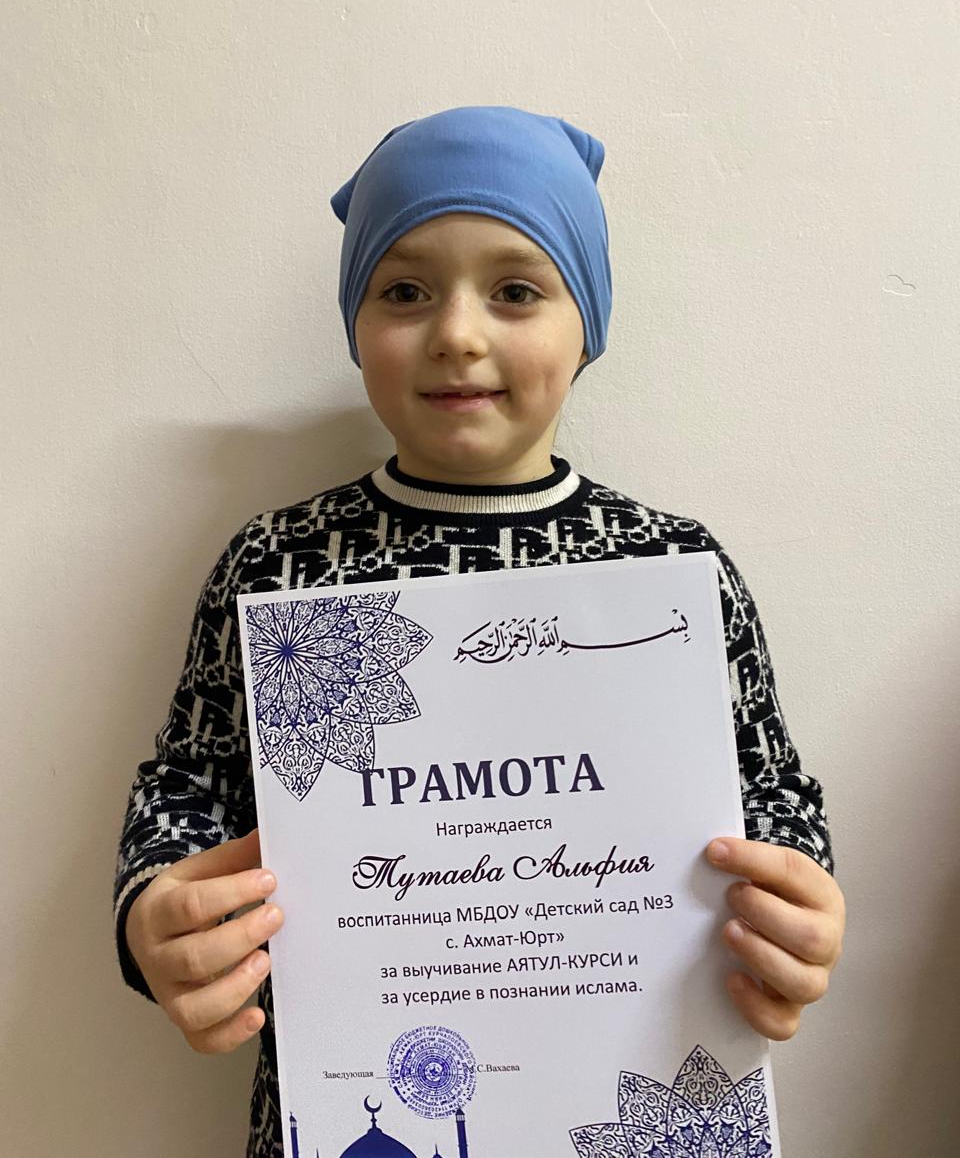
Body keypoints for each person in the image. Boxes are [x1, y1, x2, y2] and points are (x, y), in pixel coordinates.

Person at [114, 105, 846, 1158]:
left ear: (587, 322)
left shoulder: (669, 572)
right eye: (405, 290)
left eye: (516, 290)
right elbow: (188, 781)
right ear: (355, 324)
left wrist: (796, 900)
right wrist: (155, 910)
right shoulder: (278, 564)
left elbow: (767, 788)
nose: (458, 332)